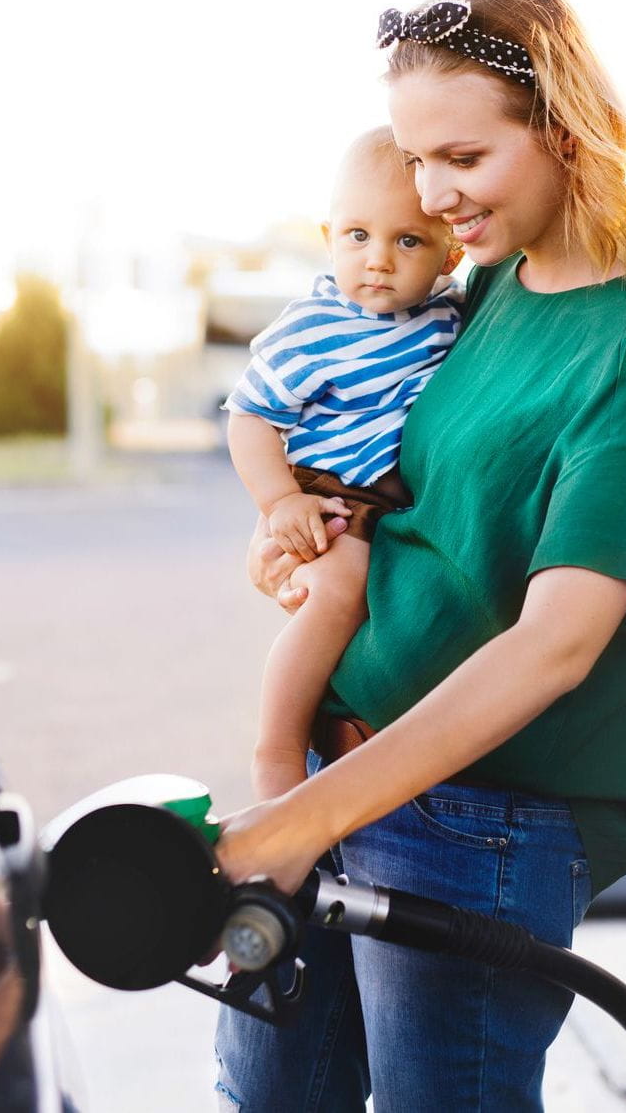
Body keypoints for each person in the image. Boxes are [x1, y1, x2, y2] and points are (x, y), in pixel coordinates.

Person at [211, 0, 626, 1111]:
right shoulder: (487, 281)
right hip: (342, 776)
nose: (431, 194)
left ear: (563, 128)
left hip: (479, 822)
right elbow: (422, 483)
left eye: (462, 158)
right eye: (413, 157)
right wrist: (302, 517)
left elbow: (557, 644)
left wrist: (302, 818)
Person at [224, 125, 463, 801]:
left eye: (407, 240)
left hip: (384, 499)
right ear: (329, 235)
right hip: (327, 494)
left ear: (449, 258)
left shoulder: (448, 315)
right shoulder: (313, 328)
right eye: (357, 236)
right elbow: (250, 416)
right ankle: (277, 750)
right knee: (339, 590)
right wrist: (278, 504)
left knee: (372, 596)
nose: (378, 260)